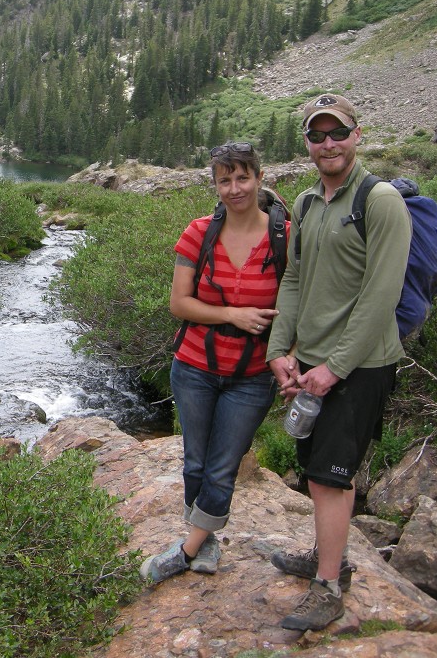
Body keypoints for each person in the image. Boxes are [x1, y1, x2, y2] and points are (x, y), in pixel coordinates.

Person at [266, 94, 411, 631]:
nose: (328, 143)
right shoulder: (305, 204)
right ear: (306, 143)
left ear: (356, 134)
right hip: (313, 363)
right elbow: (296, 280)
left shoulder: (381, 201)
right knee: (318, 468)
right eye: (317, 135)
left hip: (361, 364)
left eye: (337, 132)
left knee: (330, 476)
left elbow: (381, 294)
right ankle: (331, 556)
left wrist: (336, 367)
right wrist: (280, 350)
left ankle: (327, 585)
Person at [141, 142, 288, 584]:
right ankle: (205, 540)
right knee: (195, 462)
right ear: (216, 184)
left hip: (253, 375)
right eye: (225, 179)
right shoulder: (199, 232)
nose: (234, 188)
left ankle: (184, 551)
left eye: (243, 177)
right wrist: (232, 314)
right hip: (194, 367)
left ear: (259, 179)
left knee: (223, 465)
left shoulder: (285, 238)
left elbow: (299, 303)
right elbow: (179, 304)